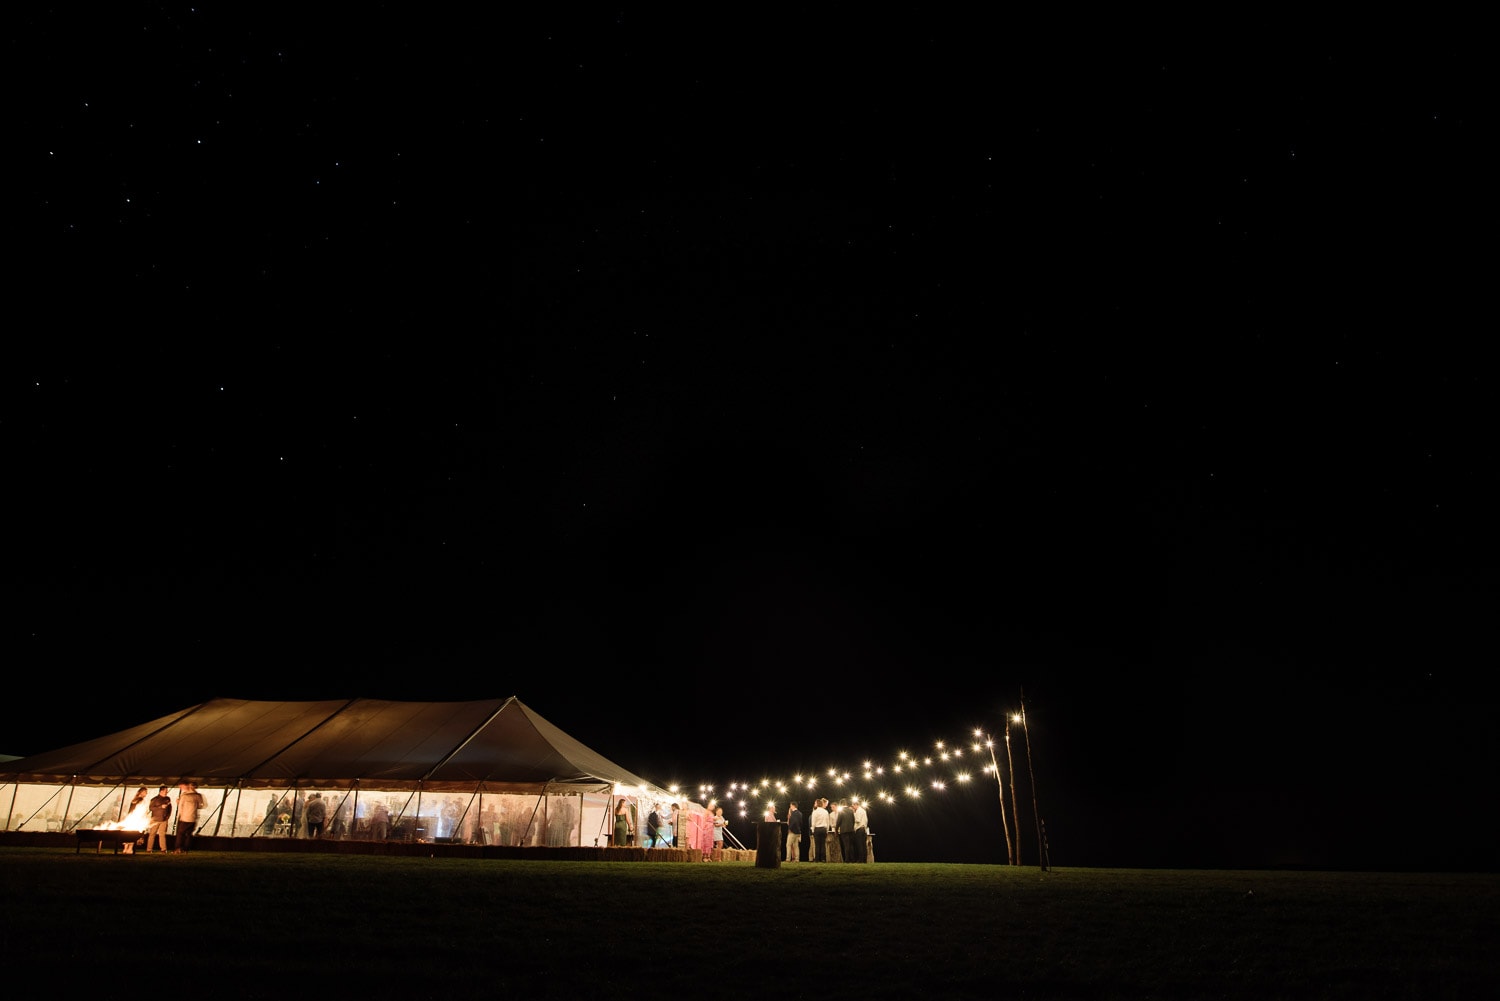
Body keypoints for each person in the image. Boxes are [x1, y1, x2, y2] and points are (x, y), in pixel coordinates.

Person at [174, 782, 206, 854]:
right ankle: (186, 850)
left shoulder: (185, 796)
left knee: (180, 834)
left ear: (190, 787)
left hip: (184, 818)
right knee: (188, 834)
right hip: (193, 818)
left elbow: (180, 807)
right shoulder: (198, 796)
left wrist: (179, 816)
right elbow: (201, 806)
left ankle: (178, 849)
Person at [145, 786, 172, 853]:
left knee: (162, 835)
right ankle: (149, 849)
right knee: (152, 834)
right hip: (155, 820)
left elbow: (170, 808)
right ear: (161, 791)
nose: (167, 792)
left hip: (164, 820)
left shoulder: (167, 799)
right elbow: (151, 808)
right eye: (166, 791)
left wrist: (168, 816)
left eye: (167, 791)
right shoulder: (154, 799)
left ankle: (163, 849)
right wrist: (160, 807)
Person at [809, 798, 830, 862]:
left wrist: (812, 830)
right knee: (823, 844)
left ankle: (817, 859)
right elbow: (828, 822)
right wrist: (827, 830)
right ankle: (823, 859)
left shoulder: (815, 812)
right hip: (824, 829)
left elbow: (813, 822)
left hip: (817, 829)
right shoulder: (826, 812)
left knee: (817, 844)